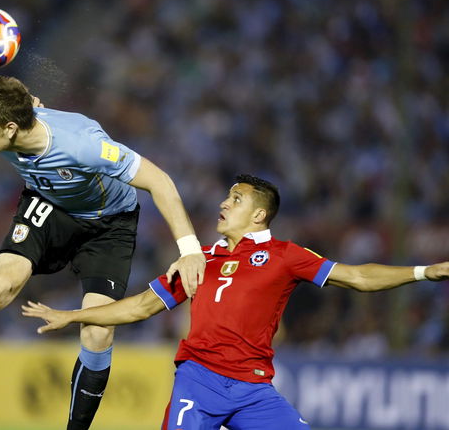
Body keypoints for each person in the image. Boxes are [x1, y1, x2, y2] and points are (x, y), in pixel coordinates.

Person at [0, 76, 206, 430]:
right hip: (49, 205)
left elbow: (159, 180)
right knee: (1, 283)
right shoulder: (18, 119)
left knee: (97, 331)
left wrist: (190, 249)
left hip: (108, 225)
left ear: (10, 128)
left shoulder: (84, 146)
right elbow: (23, 98)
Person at [22, 174, 449, 430]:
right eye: (226, 197)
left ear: (259, 215)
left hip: (253, 390)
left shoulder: (285, 255)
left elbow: (356, 276)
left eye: (236, 199)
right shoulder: (198, 259)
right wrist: (73, 315)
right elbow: (139, 307)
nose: (224, 203)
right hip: (199, 381)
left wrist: (422, 272)